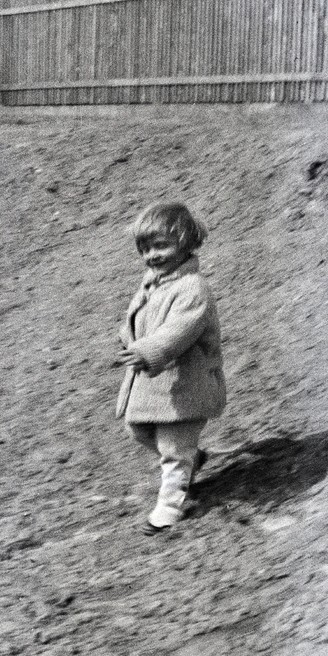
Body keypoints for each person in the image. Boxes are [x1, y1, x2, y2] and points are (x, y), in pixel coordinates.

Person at [116, 202, 226, 533]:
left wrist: (149, 350)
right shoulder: (154, 282)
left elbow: (178, 330)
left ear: (187, 243)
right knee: (138, 429)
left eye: (161, 246)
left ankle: (169, 507)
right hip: (156, 384)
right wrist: (128, 340)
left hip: (186, 384)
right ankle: (195, 459)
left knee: (174, 450)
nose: (153, 255)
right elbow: (137, 318)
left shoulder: (193, 288)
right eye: (146, 249)